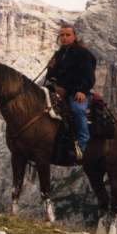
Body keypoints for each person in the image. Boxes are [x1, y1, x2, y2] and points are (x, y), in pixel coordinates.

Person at [45, 23, 96, 162]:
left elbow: (89, 76)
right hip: (60, 92)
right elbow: (51, 76)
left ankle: (82, 145)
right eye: (62, 35)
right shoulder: (58, 54)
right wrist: (50, 72)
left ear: (74, 36)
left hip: (77, 93)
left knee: (78, 110)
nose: (64, 37)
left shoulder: (83, 53)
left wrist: (82, 91)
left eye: (68, 35)